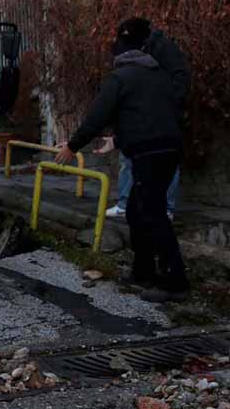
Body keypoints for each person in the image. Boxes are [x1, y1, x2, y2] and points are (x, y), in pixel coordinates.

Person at [55, 18, 189, 302]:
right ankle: (144, 272)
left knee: (151, 213)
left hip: (148, 153)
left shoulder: (120, 78)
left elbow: (96, 117)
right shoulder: (159, 76)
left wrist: (74, 146)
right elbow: (151, 115)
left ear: (120, 53)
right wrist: (117, 141)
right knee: (138, 211)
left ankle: (175, 281)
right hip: (169, 148)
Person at [101, 22, 190, 220]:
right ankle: (127, 203)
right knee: (130, 157)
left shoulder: (163, 49)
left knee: (166, 161)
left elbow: (180, 76)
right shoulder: (138, 51)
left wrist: (170, 102)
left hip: (162, 112)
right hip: (144, 111)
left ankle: (165, 207)